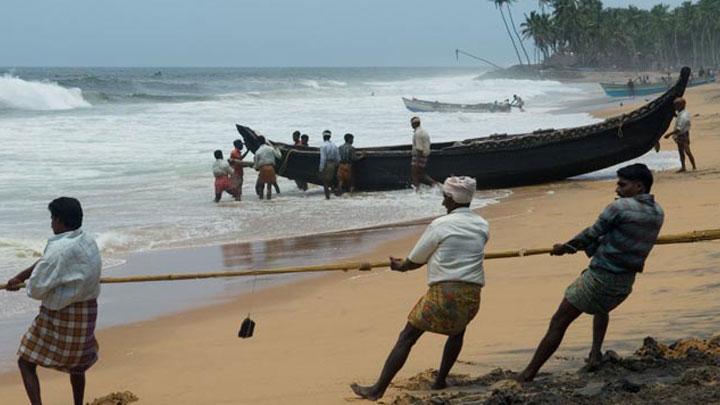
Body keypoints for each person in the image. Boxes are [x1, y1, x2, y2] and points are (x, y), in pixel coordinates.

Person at [515, 164, 664, 382]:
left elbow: (591, 234)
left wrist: (565, 247)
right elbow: (613, 237)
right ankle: (595, 354)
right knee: (601, 308)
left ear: (639, 186)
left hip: (601, 278)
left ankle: (528, 373)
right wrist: (585, 244)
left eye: (622, 185)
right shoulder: (658, 212)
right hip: (623, 283)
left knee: (559, 321)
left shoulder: (619, 208)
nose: (617, 189)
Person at [350, 176, 487, 401]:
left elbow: (414, 260)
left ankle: (377, 389)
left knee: (408, 336)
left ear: (452, 200)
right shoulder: (483, 225)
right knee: (457, 331)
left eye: (445, 198)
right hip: (472, 295)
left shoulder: (440, 225)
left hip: (444, 293)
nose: (443, 203)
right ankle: (440, 380)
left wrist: (399, 266)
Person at [5, 197, 102, 405]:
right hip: (87, 313)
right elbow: (46, 263)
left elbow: (37, 289)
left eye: (52, 218)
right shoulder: (87, 240)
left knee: (25, 360)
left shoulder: (58, 252)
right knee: (77, 365)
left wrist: (26, 285)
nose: (50, 224)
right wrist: (21, 277)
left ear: (59, 220)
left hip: (61, 316)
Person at [663, 97, 697, 172]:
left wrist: (668, 134)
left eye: (676, 106)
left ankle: (694, 166)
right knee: (681, 152)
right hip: (681, 135)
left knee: (687, 151)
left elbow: (679, 129)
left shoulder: (683, 116)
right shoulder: (683, 112)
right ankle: (683, 167)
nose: (675, 107)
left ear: (682, 105)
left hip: (683, 135)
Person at [410, 116, 436, 190]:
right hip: (424, 156)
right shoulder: (424, 131)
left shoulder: (417, 133)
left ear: (413, 124)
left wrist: (417, 162)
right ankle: (434, 185)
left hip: (419, 156)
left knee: (415, 174)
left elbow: (419, 149)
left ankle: (417, 190)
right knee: (421, 174)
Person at [319, 130, 340, 199]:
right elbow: (338, 158)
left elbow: (323, 158)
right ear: (330, 137)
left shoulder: (323, 146)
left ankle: (327, 197)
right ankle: (336, 195)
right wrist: (337, 166)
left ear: (323, 137)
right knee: (332, 180)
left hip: (327, 164)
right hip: (333, 164)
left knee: (325, 182)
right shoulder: (334, 145)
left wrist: (321, 168)